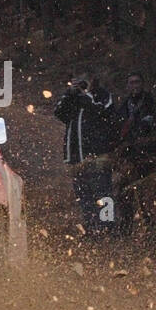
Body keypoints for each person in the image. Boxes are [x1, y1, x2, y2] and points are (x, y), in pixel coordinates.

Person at [53, 73, 120, 233]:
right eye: (78, 80)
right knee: (84, 196)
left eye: (85, 79)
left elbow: (103, 112)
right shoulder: (73, 98)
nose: (82, 83)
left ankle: (108, 227)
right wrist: (69, 93)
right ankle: (91, 228)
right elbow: (59, 113)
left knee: (103, 193)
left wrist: (86, 94)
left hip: (98, 155)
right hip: (76, 157)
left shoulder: (102, 95)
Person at [113, 73, 156, 234]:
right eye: (131, 82)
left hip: (147, 153)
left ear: (143, 84)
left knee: (146, 191)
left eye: (137, 82)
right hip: (129, 154)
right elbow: (119, 126)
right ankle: (126, 225)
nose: (135, 86)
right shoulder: (125, 104)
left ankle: (150, 224)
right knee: (124, 190)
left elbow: (149, 123)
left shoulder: (149, 101)